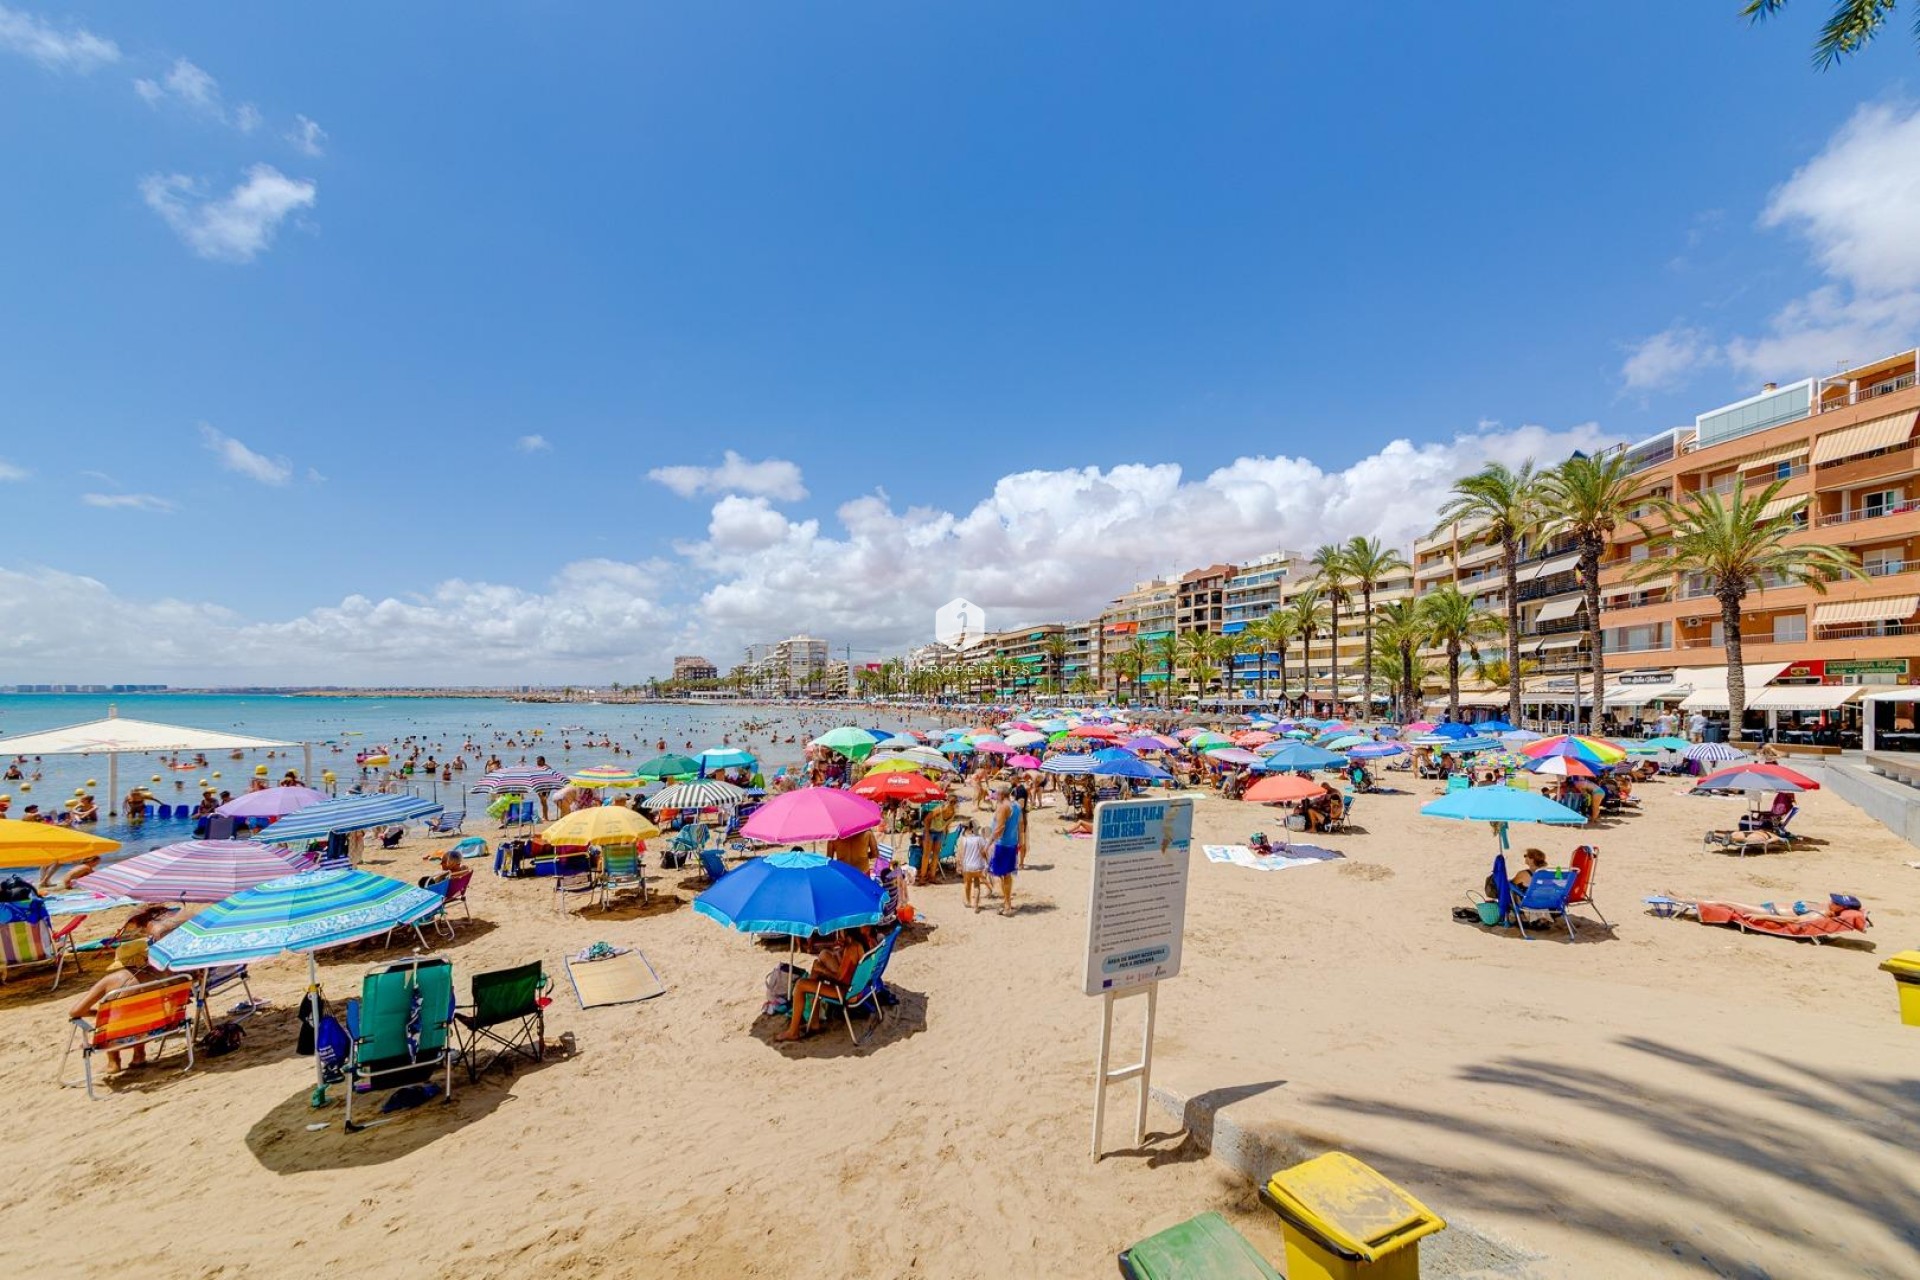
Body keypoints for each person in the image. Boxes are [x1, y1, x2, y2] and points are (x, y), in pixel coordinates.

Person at [66, 907, 179, 1072]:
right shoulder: (160, 975)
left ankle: (114, 1062)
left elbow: (75, 1011)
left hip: (119, 1036)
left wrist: (97, 1013)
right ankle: (139, 1055)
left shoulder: (111, 981)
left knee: (114, 1020)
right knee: (140, 1013)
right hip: (155, 1029)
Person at [774, 929, 869, 1042]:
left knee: (800, 985)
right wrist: (839, 952)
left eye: (841, 930)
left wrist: (822, 970)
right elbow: (848, 969)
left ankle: (793, 1032)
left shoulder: (851, 948)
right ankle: (813, 1022)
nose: (839, 932)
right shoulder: (858, 944)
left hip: (846, 992)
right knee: (817, 967)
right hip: (855, 988)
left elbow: (840, 978)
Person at [987, 785, 1019, 916]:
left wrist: (988, 844)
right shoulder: (1016, 806)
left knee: (1003, 875)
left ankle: (1007, 905)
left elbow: (999, 829)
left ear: (1001, 795)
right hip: (1012, 843)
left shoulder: (1003, 807)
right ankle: (1007, 903)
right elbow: (1019, 824)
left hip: (1003, 845)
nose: (995, 797)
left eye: (996, 795)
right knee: (1007, 875)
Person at [956, 819, 990, 909]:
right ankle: (976, 904)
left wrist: (958, 865)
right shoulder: (979, 839)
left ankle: (967, 901)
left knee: (967, 884)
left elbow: (959, 854)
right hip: (978, 866)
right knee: (977, 885)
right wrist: (987, 862)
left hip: (967, 867)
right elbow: (984, 851)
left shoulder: (963, 840)